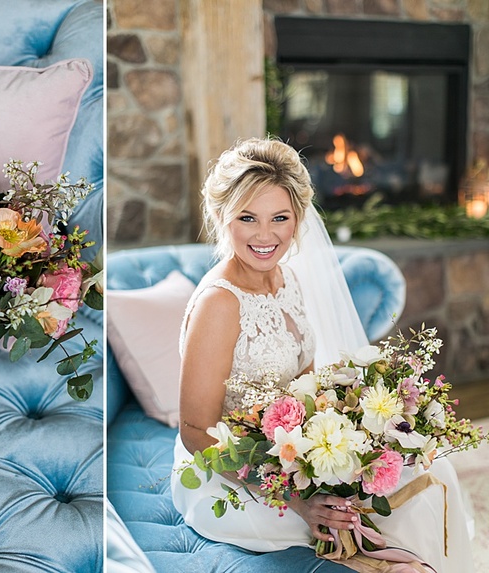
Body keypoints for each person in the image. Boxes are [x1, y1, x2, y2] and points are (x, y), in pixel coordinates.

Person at [169, 138, 474, 573]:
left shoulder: (287, 278)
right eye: (247, 218)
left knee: (432, 477)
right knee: (377, 523)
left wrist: (352, 441)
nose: (265, 235)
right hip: (229, 473)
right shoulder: (220, 304)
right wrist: (296, 499)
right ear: (221, 217)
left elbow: (305, 388)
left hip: (288, 453)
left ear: (298, 218)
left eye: (280, 218)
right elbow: (196, 431)